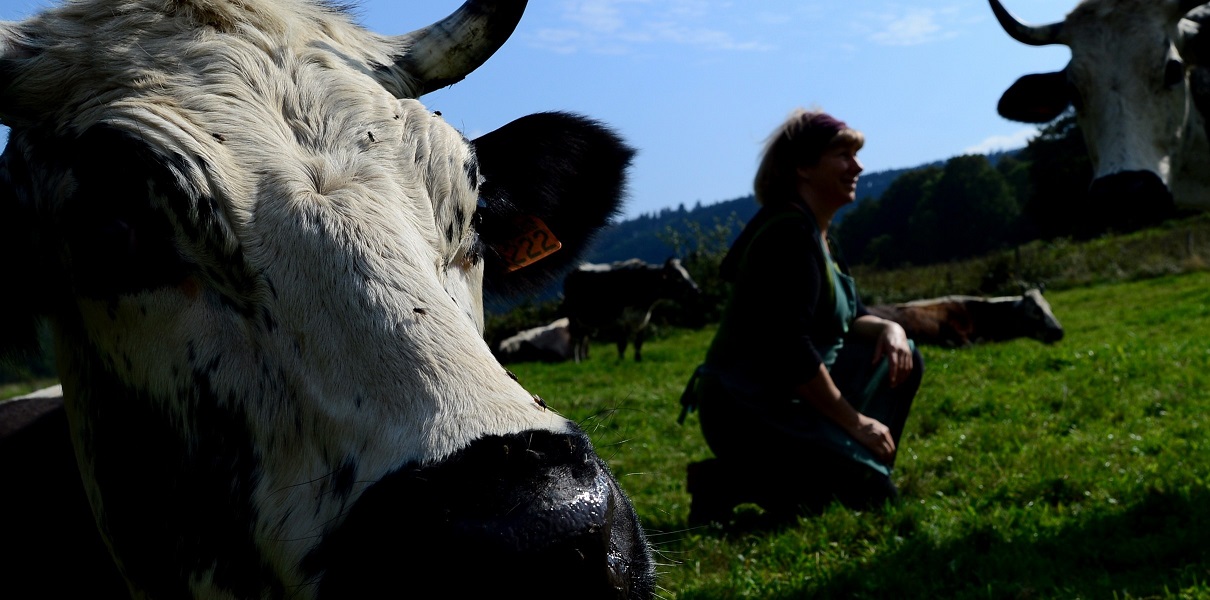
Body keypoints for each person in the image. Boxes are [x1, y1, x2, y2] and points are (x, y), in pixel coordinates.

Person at [679, 108, 924, 522]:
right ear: (804, 167)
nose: (858, 165)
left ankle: (834, 465)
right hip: (747, 409)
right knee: (869, 495)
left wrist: (891, 328)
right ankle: (724, 480)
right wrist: (856, 422)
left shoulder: (818, 233)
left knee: (906, 355)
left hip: (786, 398)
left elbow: (853, 316)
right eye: (843, 154)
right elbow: (790, 348)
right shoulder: (788, 235)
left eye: (856, 154)